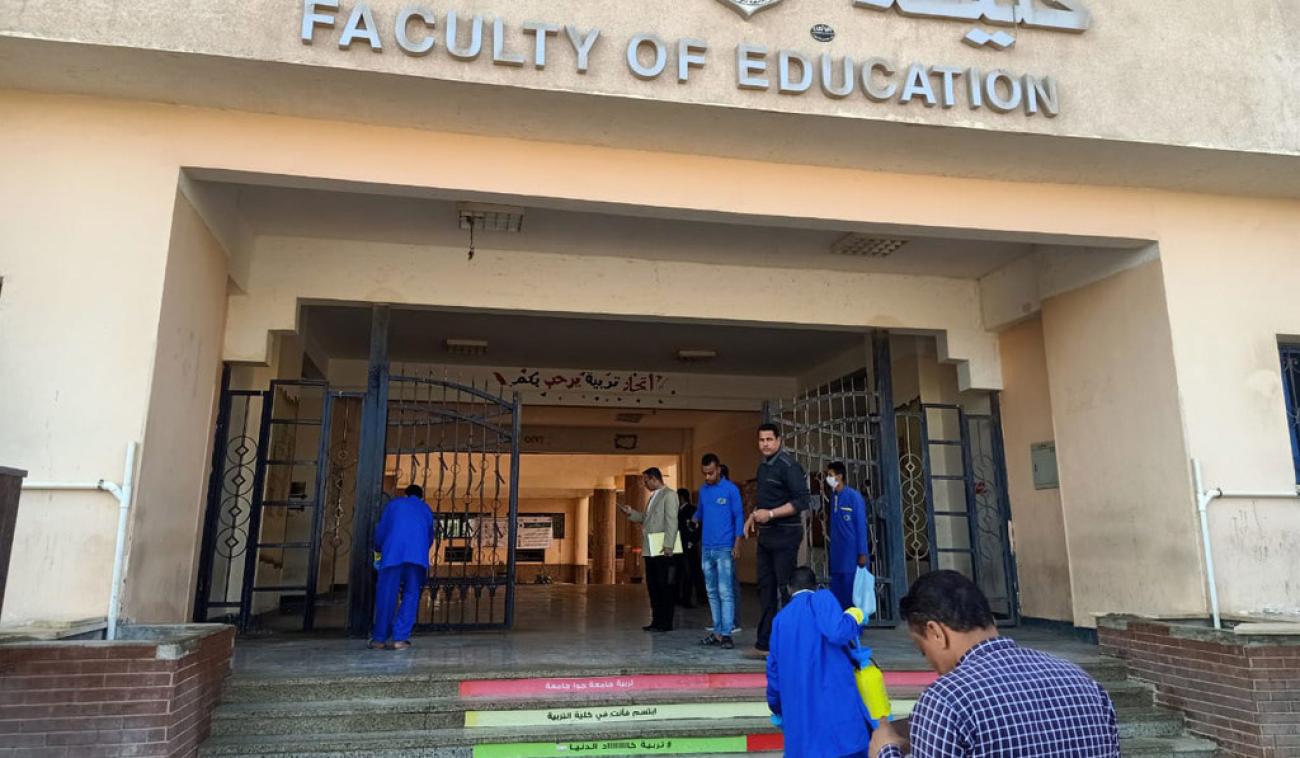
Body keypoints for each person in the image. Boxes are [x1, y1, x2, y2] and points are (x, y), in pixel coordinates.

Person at [869, 571, 1120, 758]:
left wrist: (885, 751)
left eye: (923, 651)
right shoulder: (1085, 683)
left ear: (936, 632)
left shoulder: (946, 699)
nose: (931, 663)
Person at [766, 566, 873, 758]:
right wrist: (853, 616)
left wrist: (776, 707)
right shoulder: (822, 598)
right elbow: (838, 632)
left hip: (802, 726)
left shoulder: (779, 621)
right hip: (838, 721)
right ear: (815, 586)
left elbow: (773, 672)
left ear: (789, 589)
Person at [744, 423, 811, 658]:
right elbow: (764, 501)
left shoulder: (788, 466)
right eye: (761, 440)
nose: (765, 444)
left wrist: (770, 514)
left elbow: (803, 501)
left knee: (785, 590)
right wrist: (753, 516)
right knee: (765, 589)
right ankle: (764, 643)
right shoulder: (763, 468)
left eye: (769, 440)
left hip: (785, 535)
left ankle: (792, 643)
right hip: (766, 537)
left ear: (779, 441)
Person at [370, 484, 436, 650]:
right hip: (416, 557)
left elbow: (382, 530)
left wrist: (378, 548)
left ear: (406, 495)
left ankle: (379, 639)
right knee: (411, 595)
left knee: (386, 595)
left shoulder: (394, 505)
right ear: (421, 497)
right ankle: (400, 638)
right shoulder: (426, 509)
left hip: (393, 554)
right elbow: (429, 536)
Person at [619, 468, 681, 632]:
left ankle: (665, 622)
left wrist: (669, 544)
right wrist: (631, 513)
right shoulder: (653, 497)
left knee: (664, 586)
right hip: (650, 547)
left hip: (662, 548)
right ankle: (656, 620)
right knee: (653, 586)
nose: (644, 484)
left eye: (645, 481)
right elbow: (646, 519)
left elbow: (671, 521)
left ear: (654, 479)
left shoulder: (669, 495)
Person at [695, 453, 745, 650]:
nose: (707, 477)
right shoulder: (703, 491)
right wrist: (693, 519)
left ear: (719, 470)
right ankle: (716, 632)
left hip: (725, 548)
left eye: (711, 473)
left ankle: (727, 634)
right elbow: (700, 512)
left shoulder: (731, 490)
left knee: (725, 591)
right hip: (707, 548)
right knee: (712, 592)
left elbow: (738, 516)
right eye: (704, 474)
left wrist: (737, 543)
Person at [825, 462, 869, 610]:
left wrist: (862, 552)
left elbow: (861, 526)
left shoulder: (853, 497)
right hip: (837, 553)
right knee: (838, 593)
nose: (828, 478)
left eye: (830, 475)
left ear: (840, 476)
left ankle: (854, 628)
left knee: (852, 594)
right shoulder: (834, 497)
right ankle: (841, 627)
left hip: (851, 554)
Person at [676, 487, 706, 608]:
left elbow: (698, 528)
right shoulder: (676, 511)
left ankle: (694, 598)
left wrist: (692, 541)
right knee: (680, 573)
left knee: (692, 572)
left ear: (682, 498)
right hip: (678, 545)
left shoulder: (692, 510)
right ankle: (679, 597)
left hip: (689, 545)